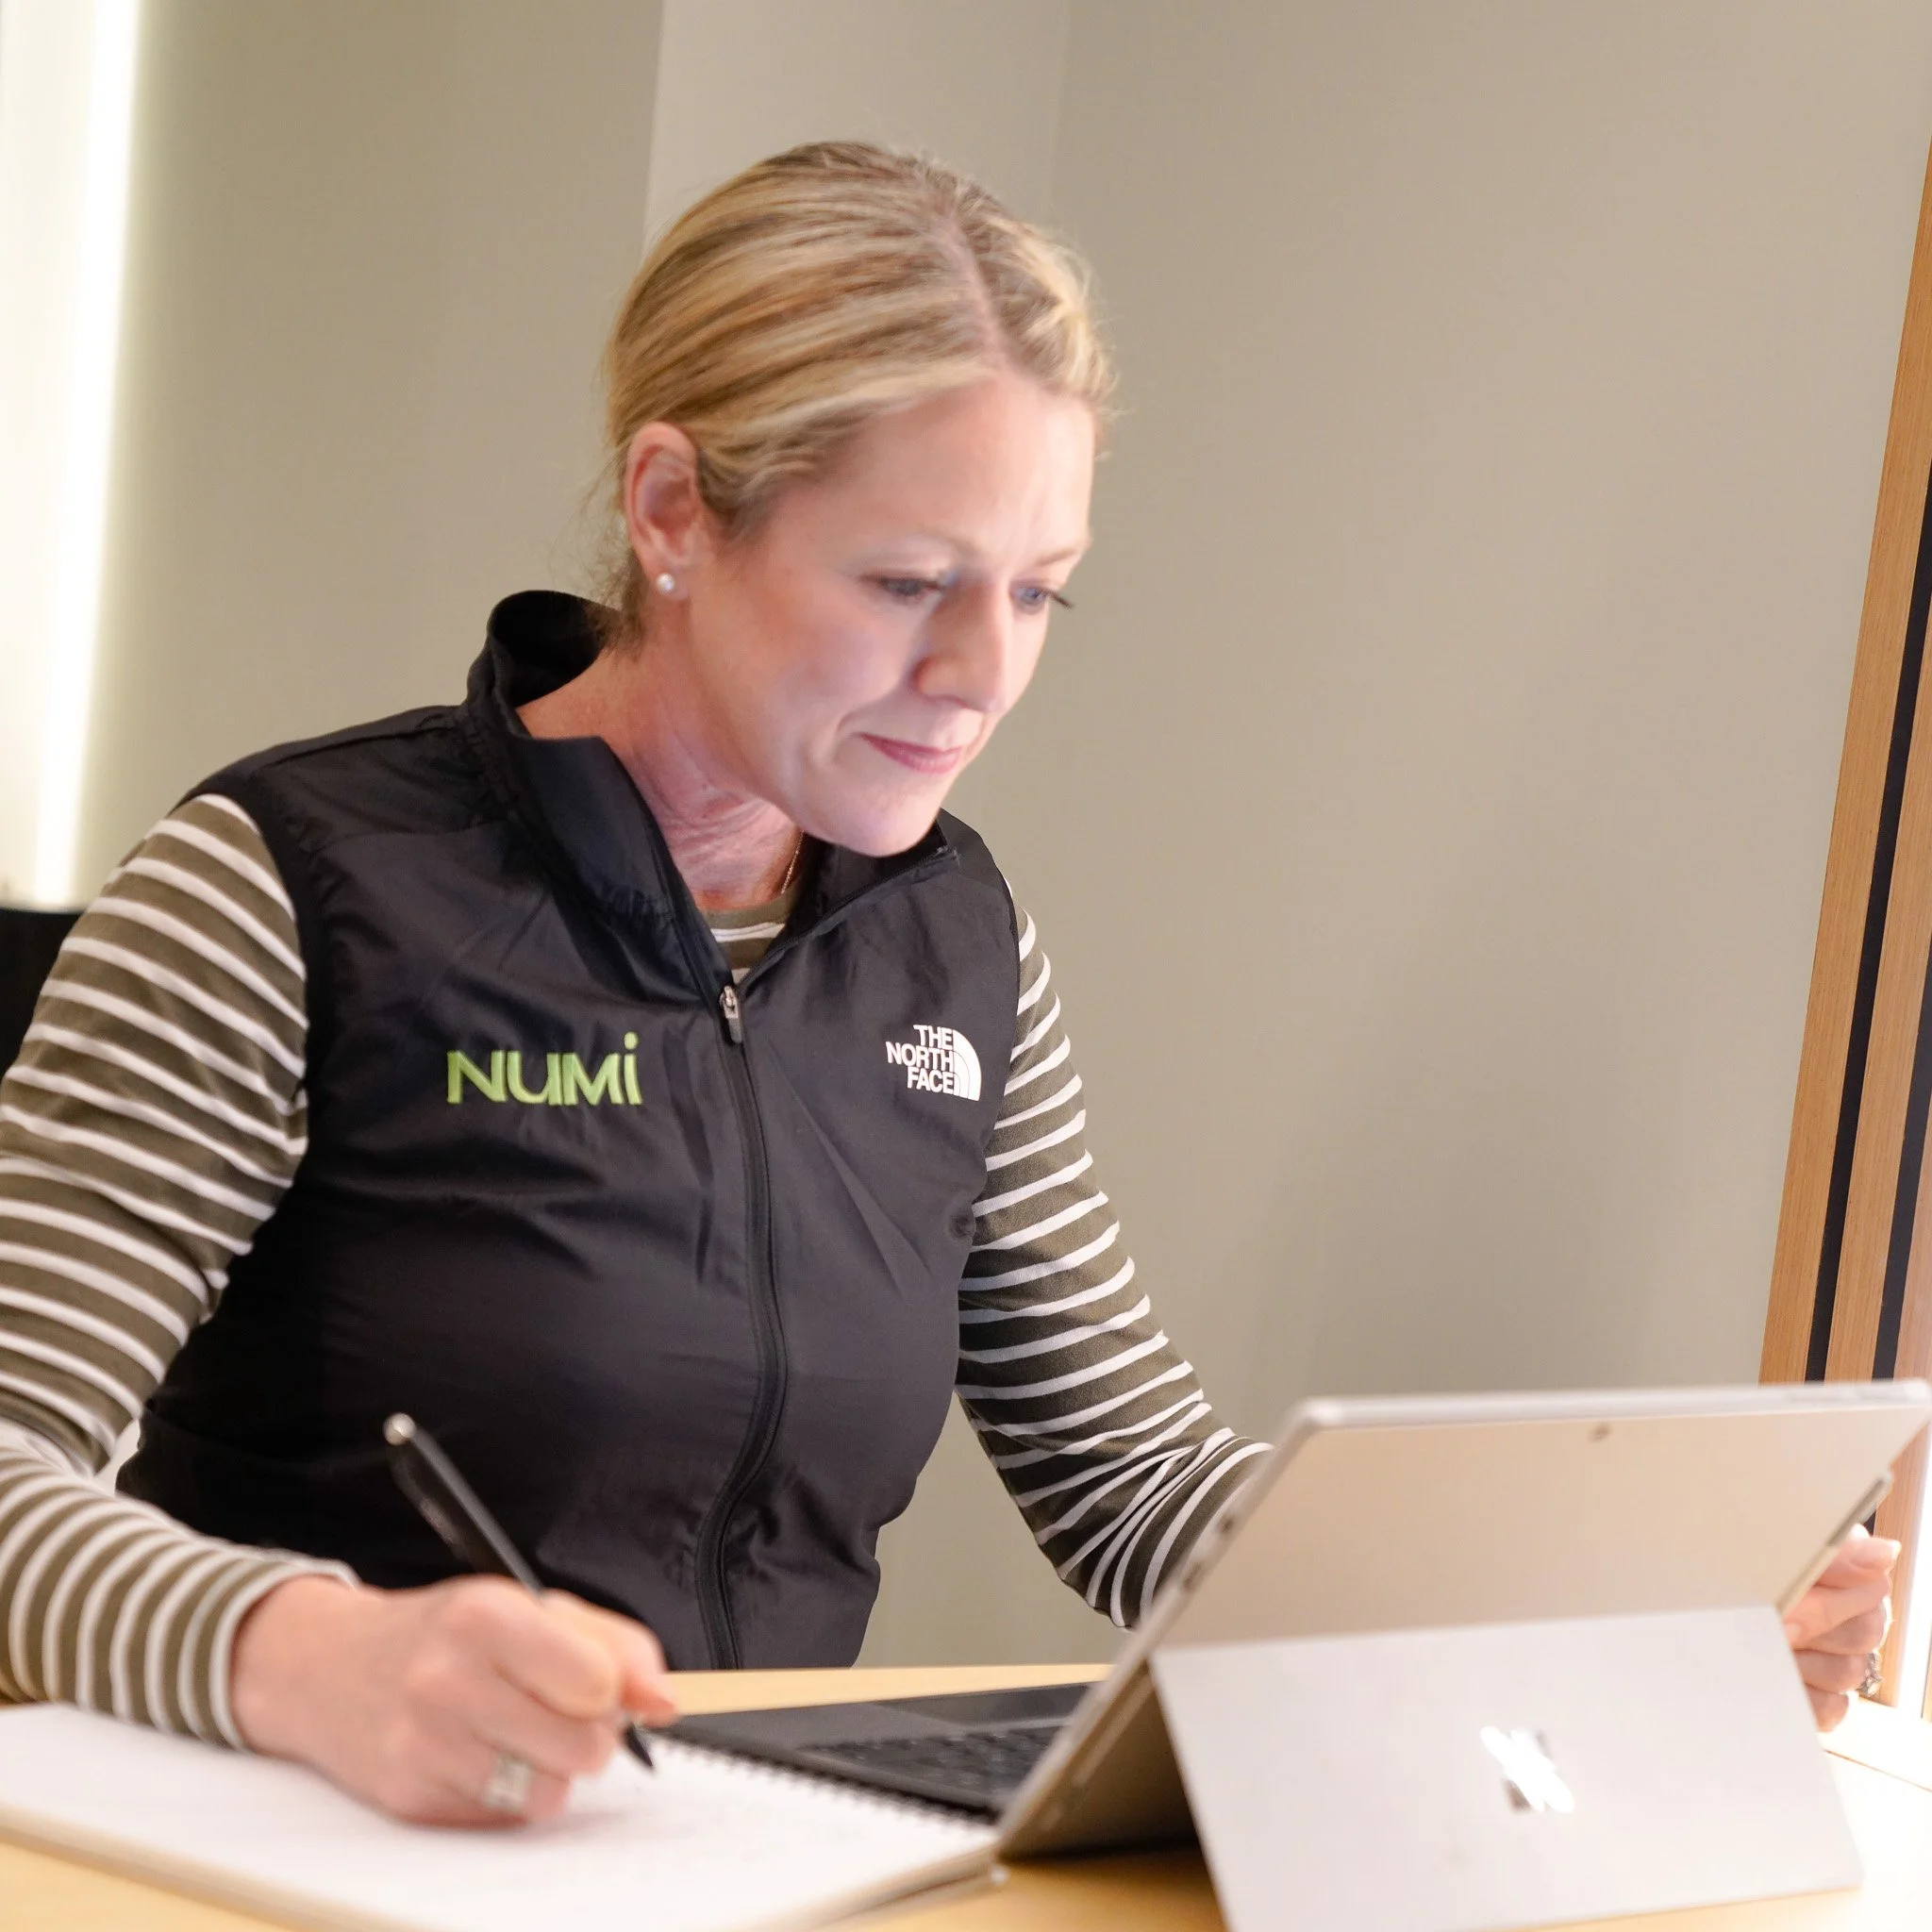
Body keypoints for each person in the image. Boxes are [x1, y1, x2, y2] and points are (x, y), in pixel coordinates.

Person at [0, 143, 1895, 1828]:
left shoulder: (954, 946)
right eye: (910, 581)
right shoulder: (289, 887)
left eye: (1039, 588)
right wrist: (305, 1652)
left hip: (739, 1856)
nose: (983, 672)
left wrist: (1610, 1628)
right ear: (670, 509)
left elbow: (1131, 1477)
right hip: (306, 1848)